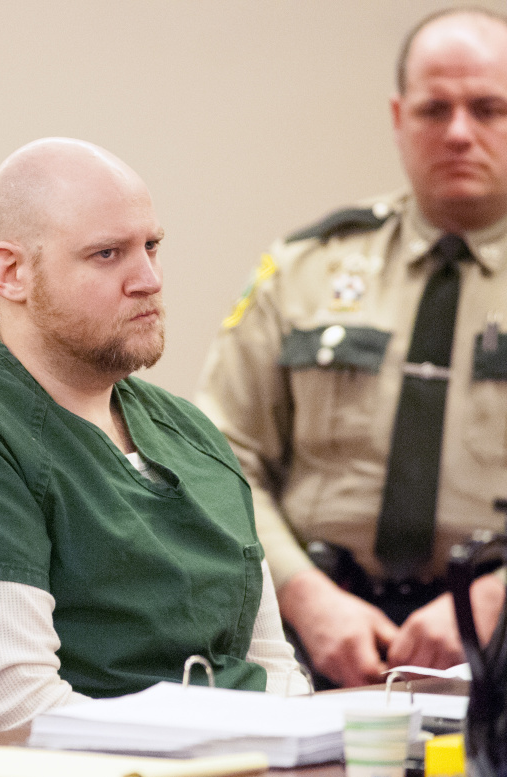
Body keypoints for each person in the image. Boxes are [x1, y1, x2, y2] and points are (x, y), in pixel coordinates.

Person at [0, 137, 306, 733]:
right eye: (107, 254)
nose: (148, 279)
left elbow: (276, 672)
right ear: (12, 273)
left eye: (152, 247)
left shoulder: (190, 432)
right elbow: (13, 711)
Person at [196, 7, 507, 689]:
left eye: (488, 108)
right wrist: (304, 596)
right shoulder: (307, 268)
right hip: (317, 639)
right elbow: (218, 456)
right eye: (435, 109)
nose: (460, 131)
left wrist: (493, 599)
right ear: (399, 117)